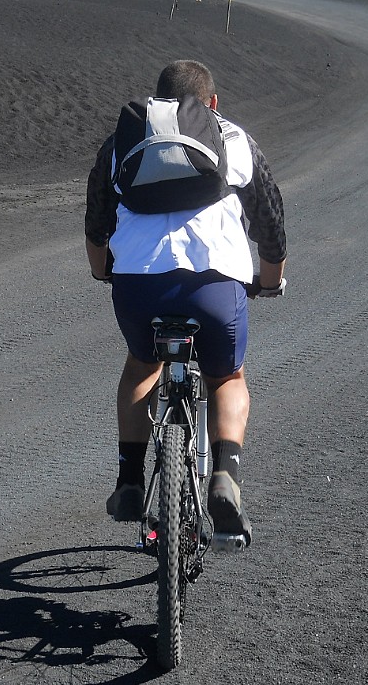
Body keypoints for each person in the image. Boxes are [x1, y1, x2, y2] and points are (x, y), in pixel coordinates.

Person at [84, 59, 287, 548]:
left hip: (138, 283)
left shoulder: (124, 142)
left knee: (141, 369)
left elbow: (96, 220)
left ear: (157, 102)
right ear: (209, 103)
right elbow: (270, 218)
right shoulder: (234, 138)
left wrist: (101, 269)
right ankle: (225, 475)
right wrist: (270, 279)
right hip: (215, 285)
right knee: (226, 378)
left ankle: (130, 482)